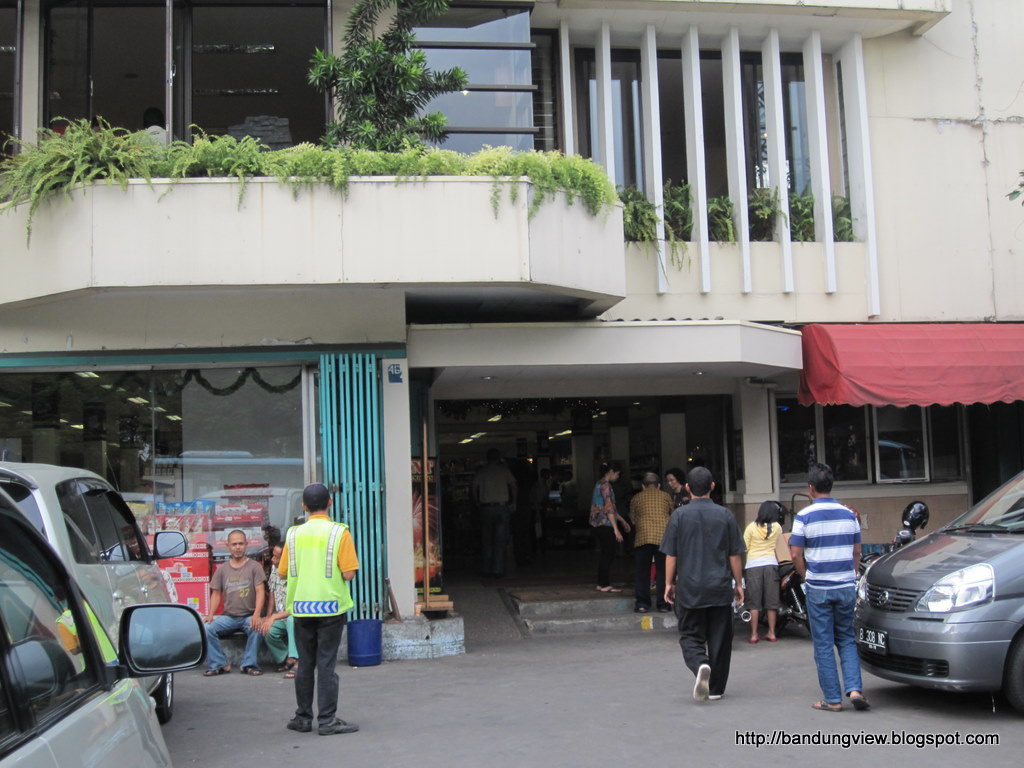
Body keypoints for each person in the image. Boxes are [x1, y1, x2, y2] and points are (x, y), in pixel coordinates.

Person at [280, 483, 360, 735]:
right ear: (330, 503)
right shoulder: (340, 533)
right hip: (331, 608)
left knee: (305, 664)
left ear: (303, 506)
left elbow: (282, 573)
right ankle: (327, 720)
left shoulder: (293, 535)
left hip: (301, 609)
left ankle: (303, 718)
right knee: (326, 664)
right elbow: (349, 574)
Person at [789, 462, 870, 713]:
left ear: (810, 488)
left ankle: (833, 699)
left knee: (823, 643)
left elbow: (795, 554)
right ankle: (855, 689)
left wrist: (805, 576)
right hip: (846, 585)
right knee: (846, 638)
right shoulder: (849, 516)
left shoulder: (803, 517)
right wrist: (852, 574)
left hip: (818, 587)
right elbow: (857, 552)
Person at [661, 466, 744, 702]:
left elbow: (672, 555)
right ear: (713, 487)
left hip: (689, 587)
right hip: (719, 587)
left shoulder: (679, 515)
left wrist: (668, 583)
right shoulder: (725, 515)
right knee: (720, 638)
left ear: (687, 488)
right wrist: (739, 584)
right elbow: (734, 555)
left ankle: (700, 663)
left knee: (689, 635)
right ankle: (716, 688)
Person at [204, 529, 267, 676]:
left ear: (246, 544)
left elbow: (260, 591)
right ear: (228, 546)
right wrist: (210, 615)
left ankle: (249, 664)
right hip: (229, 618)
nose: (237, 547)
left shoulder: (255, 567)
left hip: (248, 616)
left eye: (240, 544)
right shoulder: (222, 569)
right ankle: (219, 664)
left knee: (256, 627)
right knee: (207, 628)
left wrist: (257, 614)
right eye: (234, 544)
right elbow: (216, 594)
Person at [629, 472, 673, 613]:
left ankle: (642, 604)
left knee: (642, 572)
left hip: (643, 538)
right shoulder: (666, 496)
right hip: (663, 539)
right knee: (663, 572)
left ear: (643, 486)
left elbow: (633, 519)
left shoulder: (636, 498)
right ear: (659, 485)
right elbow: (672, 515)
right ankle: (663, 604)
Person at [743, 500, 784, 644]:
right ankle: (772, 633)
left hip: (753, 565)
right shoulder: (777, 527)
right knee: (771, 601)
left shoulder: (751, 528)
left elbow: (745, 547)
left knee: (754, 602)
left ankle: (754, 634)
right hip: (771, 565)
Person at [473, 449, 517, 578]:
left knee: (487, 539)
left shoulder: (482, 471)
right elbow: (514, 486)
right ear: (498, 458)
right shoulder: (504, 471)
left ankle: (486, 569)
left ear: (487, 458)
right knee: (500, 540)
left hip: (486, 508)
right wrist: (513, 502)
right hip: (502, 507)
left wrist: (477, 502)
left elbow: (474, 487)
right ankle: (497, 570)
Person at [589, 461, 631, 592]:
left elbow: (610, 508)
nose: (618, 477)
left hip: (597, 523)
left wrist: (622, 521)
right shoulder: (606, 486)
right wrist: (616, 529)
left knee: (606, 553)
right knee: (609, 553)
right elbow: (609, 509)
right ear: (611, 472)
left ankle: (601, 583)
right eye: (617, 474)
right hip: (604, 523)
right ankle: (604, 584)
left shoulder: (599, 484)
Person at [260, 543, 298, 677]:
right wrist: (268, 616)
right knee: (267, 630)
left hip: (294, 617)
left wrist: (273, 617)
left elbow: (295, 609)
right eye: (273, 556)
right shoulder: (275, 570)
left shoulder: (297, 575)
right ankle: (286, 658)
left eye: (277, 557)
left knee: (292, 620)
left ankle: (298, 660)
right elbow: (272, 593)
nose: (272, 560)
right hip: (280, 616)